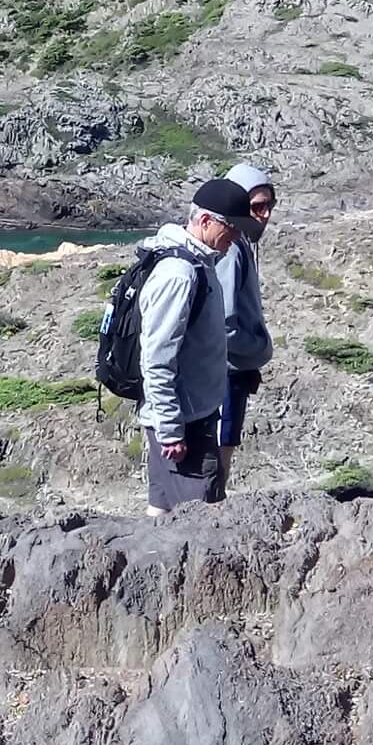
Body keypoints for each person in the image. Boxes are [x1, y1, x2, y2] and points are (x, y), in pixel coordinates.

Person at [138, 179, 247, 515]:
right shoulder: (180, 274)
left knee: (163, 513)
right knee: (201, 522)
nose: (237, 237)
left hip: (190, 416)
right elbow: (156, 358)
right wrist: (170, 430)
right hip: (182, 425)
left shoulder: (199, 263)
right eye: (232, 227)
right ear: (204, 221)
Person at [215, 160, 277, 485]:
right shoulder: (231, 249)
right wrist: (257, 351)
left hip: (232, 372)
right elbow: (224, 322)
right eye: (257, 206)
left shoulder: (241, 245)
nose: (265, 213)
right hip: (223, 373)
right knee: (217, 461)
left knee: (222, 455)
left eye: (269, 205)